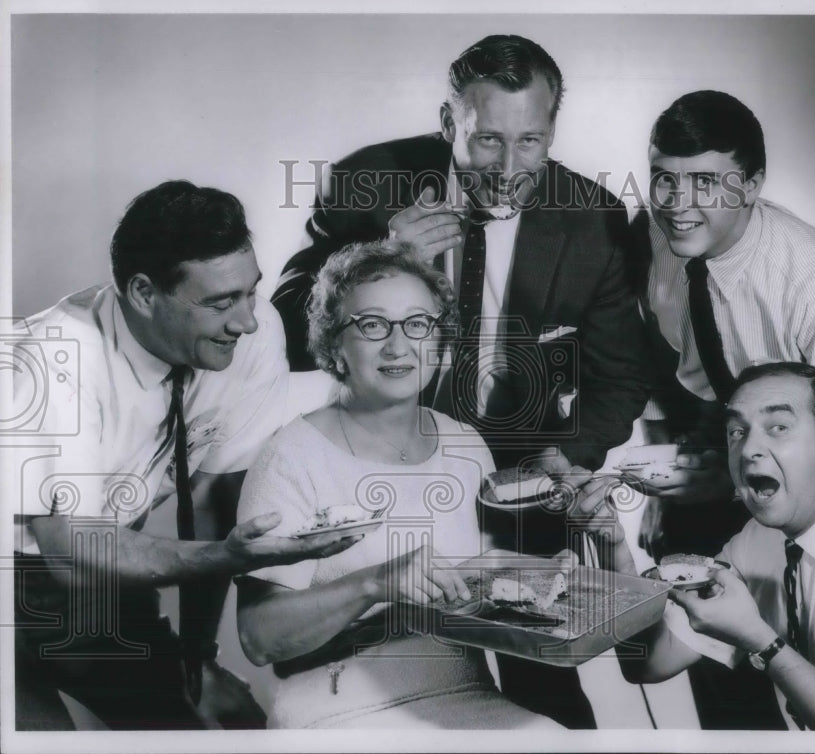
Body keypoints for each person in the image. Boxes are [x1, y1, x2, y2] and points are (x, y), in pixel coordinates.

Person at [270, 34, 649, 728]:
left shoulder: (591, 218)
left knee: (550, 694)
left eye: (530, 142)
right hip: (387, 466)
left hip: (522, 473)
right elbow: (286, 332)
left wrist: (571, 457)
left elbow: (620, 378)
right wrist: (383, 257)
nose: (508, 169)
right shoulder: (368, 182)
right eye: (487, 141)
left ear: (553, 131)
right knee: (376, 667)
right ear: (450, 125)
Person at [12, 181, 360, 730]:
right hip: (48, 562)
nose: (246, 321)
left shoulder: (252, 331)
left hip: (96, 574)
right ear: (144, 294)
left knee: (192, 731)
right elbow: (68, 550)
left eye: (250, 291)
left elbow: (216, 503)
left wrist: (196, 661)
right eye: (220, 302)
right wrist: (225, 558)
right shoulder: (52, 358)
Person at [628, 91, 815, 729]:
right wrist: (676, 481)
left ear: (752, 184)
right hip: (733, 439)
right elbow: (684, 368)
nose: (677, 204)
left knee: (801, 667)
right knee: (696, 635)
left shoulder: (814, 281)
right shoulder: (660, 231)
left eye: (705, 183)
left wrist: (751, 507)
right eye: (664, 179)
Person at [235, 241, 564, 730]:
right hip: (336, 707)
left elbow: (481, 581)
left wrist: (548, 578)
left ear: (440, 340)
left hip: (464, 690)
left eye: (417, 324)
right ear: (333, 345)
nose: (398, 345)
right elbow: (258, 638)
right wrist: (373, 584)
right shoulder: (290, 457)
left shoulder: (465, 445)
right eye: (372, 325)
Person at [570, 362, 815, 731]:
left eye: (777, 427)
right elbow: (650, 663)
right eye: (737, 432)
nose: (749, 449)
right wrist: (612, 549)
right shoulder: (761, 539)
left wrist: (761, 641)